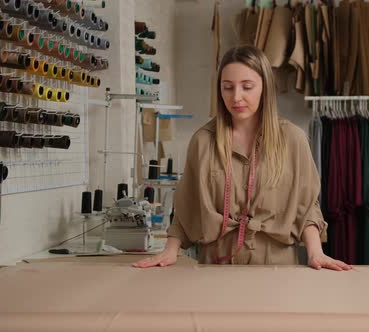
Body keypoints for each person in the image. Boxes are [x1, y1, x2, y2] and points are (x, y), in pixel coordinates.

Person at [132, 45, 352, 271]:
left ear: (265, 88)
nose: (236, 97)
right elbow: (187, 206)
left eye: (247, 87)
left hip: (277, 270)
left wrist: (316, 253)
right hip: (216, 269)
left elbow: (307, 208)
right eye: (227, 87)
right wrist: (169, 251)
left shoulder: (293, 140)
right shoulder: (203, 142)